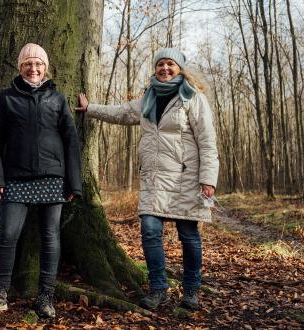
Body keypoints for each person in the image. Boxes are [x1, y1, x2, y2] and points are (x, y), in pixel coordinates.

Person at [76, 48, 219, 310]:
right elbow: (121, 112)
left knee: (188, 235)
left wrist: (208, 179)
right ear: (155, 69)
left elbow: (208, 142)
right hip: (154, 178)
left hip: (185, 177)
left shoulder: (193, 97)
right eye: (160, 64)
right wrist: (90, 109)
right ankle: (157, 288)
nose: (165, 68)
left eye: (170, 64)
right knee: (150, 231)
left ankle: (191, 291)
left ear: (180, 69)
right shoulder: (148, 98)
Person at [0, 43, 82, 318]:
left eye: (38, 64)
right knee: (8, 235)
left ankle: (46, 297)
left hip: (52, 177)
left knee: (50, 237)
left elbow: (70, 140)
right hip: (16, 178)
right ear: (20, 67)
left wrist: (74, 182)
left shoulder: (58, 99)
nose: (33, 69)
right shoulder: (7, 98)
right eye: (27, 64)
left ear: (45, 67)